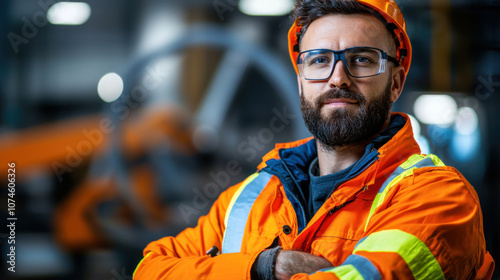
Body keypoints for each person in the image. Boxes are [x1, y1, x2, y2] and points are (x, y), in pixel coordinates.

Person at [133, 0, 495, 279]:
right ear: (301, 78)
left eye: (362, 60)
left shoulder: (439, 198)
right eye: (319, 60)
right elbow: (149, 270)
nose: (338, 78)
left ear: (396, 82)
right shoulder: (250, 199)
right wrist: (263, 267)